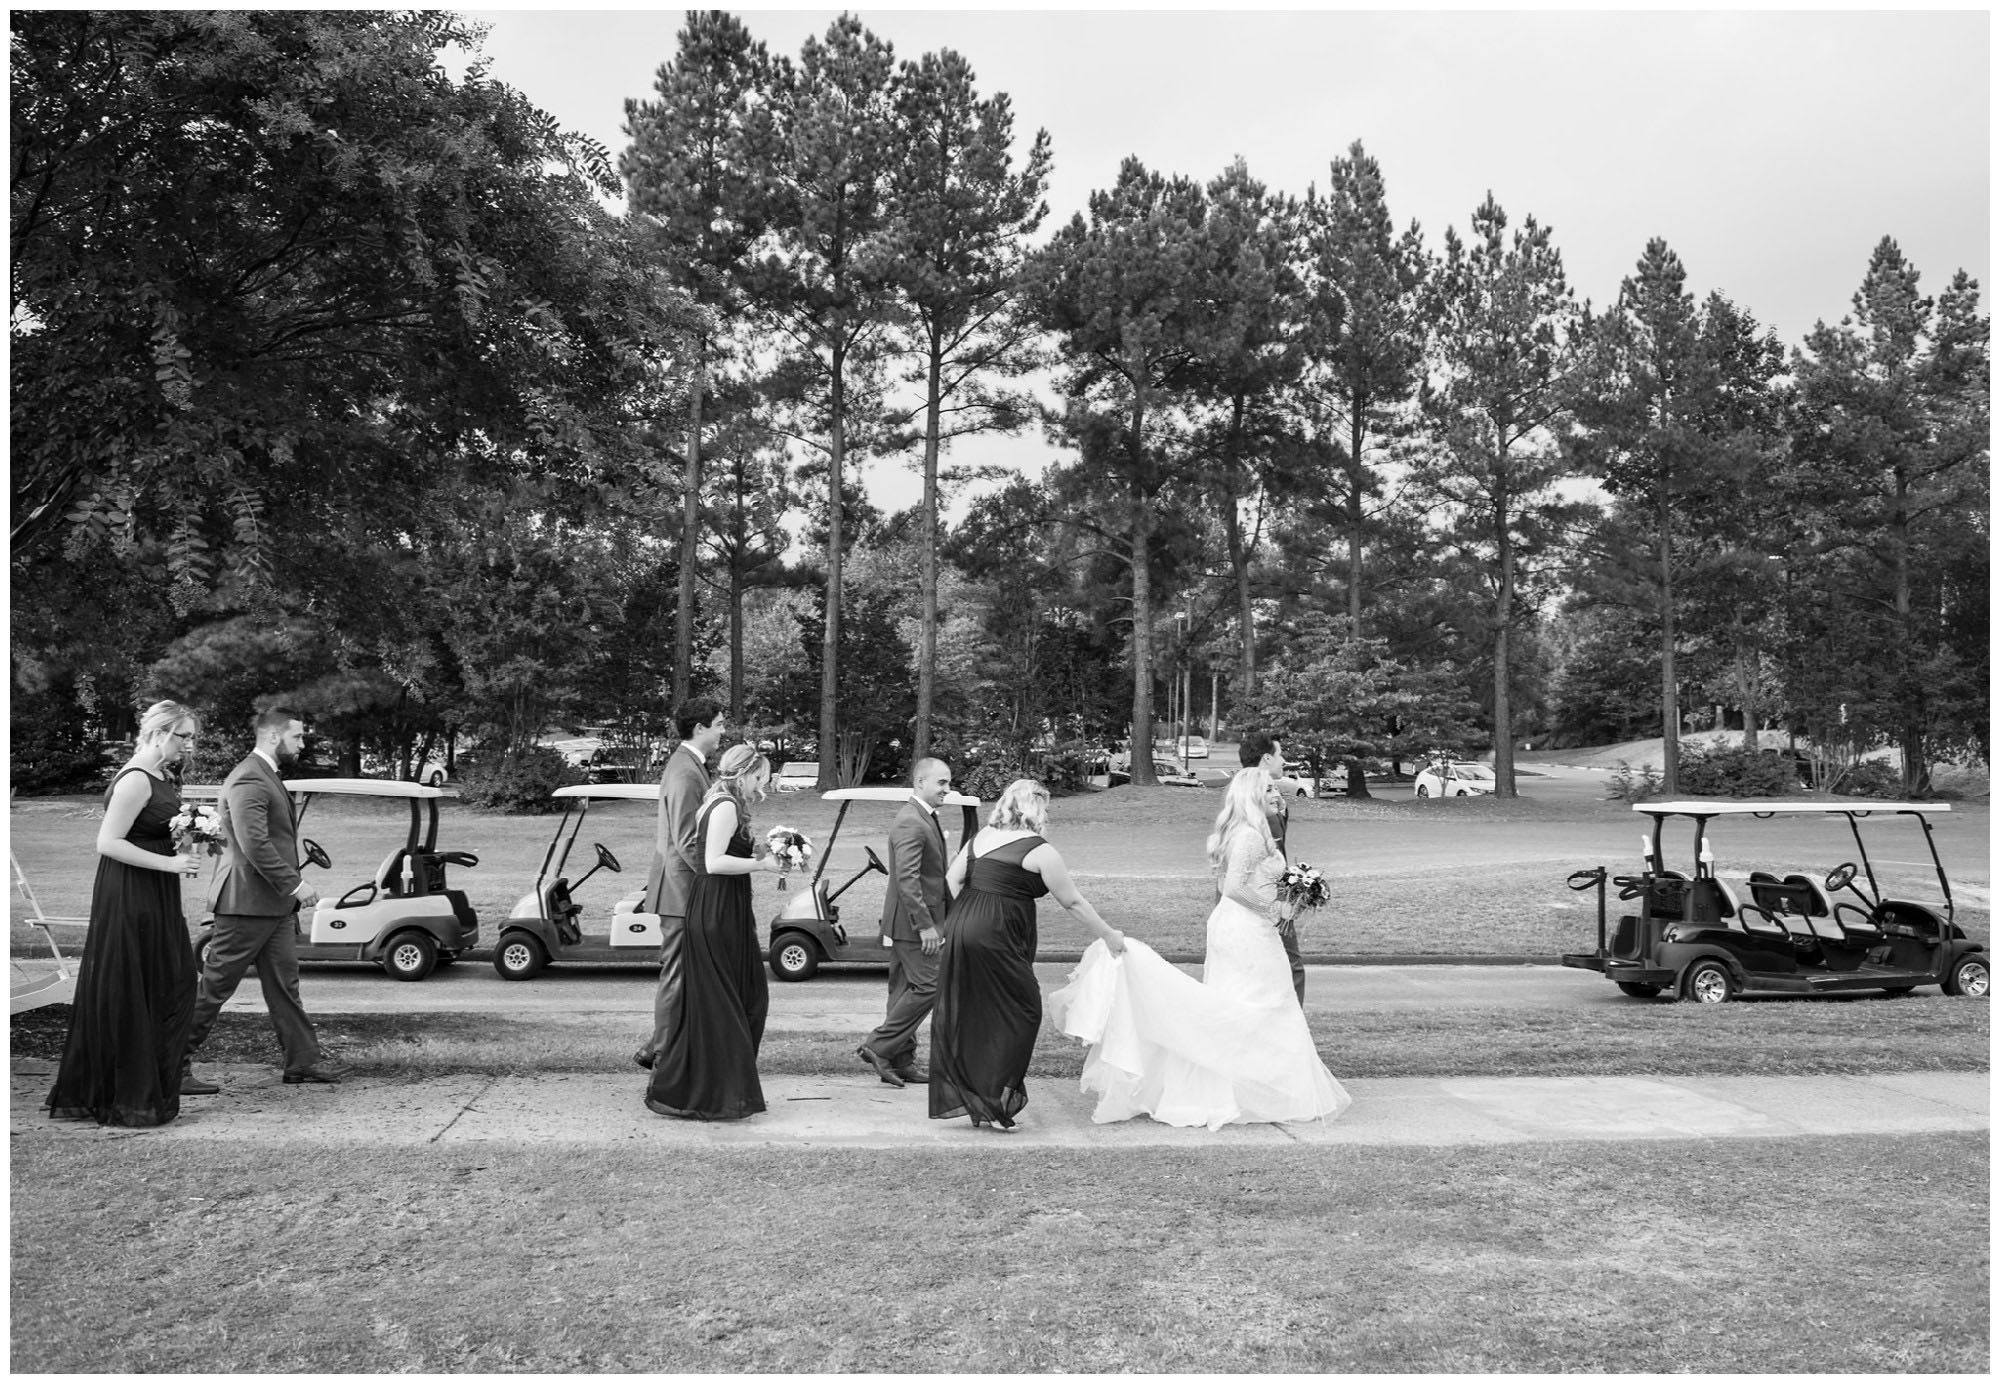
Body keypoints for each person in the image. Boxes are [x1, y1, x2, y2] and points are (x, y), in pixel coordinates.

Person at [1047, 767, 1351, 1131]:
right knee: (1263, 1001)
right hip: (1246, 928)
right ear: (1252, 796)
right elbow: (1233, 887)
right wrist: (1274, 910)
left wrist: (1294, 895)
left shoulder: (1250, 830)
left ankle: (1247, 1089)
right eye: (1269, 788)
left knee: (1248, 999)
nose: (1277, 791)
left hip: (1240, 925)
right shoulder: (1250, 836)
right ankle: (1255, 1091)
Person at [44, 701, 208, 1127]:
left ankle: (144, 1085)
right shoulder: (135, 779)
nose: (188, 745)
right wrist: (170, 864)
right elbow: (108, 842)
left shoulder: (163, 776)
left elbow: (155, 832)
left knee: (170, 980)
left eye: (191, 737)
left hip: (157, 891)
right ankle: (122, 1094)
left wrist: (189, 840)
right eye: (182, 736)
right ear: (158, 733)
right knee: (135, 985)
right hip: (130, 891)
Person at [929, 778, 1125, 1132]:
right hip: (997, 934)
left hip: (962, 928)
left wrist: (967, 916)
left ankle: (979, 1098)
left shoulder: (981, 838)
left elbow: (952, 879)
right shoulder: (1040, 850)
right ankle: (996, 1103)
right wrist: (1109, 935)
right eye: (1045, 807)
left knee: (978, 1011)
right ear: (1035, 809)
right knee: (1024, 1011)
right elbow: (1073, 902)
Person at [184, 707, 341, 1087]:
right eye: (297, 737)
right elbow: (254, 842)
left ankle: (303, 1063)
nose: (303, 744)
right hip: (245, 906)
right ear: (273, 736)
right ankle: (167, 1065)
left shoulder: (265, 775)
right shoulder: (250, 779)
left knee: (285, 987)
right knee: (215, 988)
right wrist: (295, 885)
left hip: (272, 908)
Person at [645, 744, 784, 1121]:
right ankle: (715, 1092)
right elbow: (712, 862)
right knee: (735, 1001)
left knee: (741, 998)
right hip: (718, 909)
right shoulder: (724, 805)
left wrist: (770, 850)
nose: (765, 784)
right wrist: (763, 865)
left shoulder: (725, 802)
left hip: (726, 907)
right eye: (762, 776)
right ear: (746, 774)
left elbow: (725, 849)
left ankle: (726, 1086)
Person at [634, 699, 725, 1071]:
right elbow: (688, 841)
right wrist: (717, 874)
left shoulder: (689, 766)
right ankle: (664, 1056)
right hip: (682, 890)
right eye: (718, 724)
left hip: (680, 887)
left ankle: (658, 1046)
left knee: (685, 972)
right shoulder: (686, 772)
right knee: (678, 974)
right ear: (700, 728)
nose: (723, 731)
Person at [856, 757, 954, 1088]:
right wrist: (925, 925)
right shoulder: (911, 821)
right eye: (941, 782)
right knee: (931, 985)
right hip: (914, 925)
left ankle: (902, 1060)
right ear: (920, 782)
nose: (947, 789)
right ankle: (878, 1046)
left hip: (907, 923)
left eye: (948, 782)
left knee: (901, 991)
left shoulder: (923, 817)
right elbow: (908, 879)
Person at [1239, 728, 1305, 1004]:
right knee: (1291, 967)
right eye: (1280, 754)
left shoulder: (1253, 795)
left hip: (1263, 895)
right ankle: (1291, 1030)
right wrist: (1281, 901)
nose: (1284, 760)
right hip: (1264, 898)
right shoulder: (1256, 804)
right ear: (1267, 758)